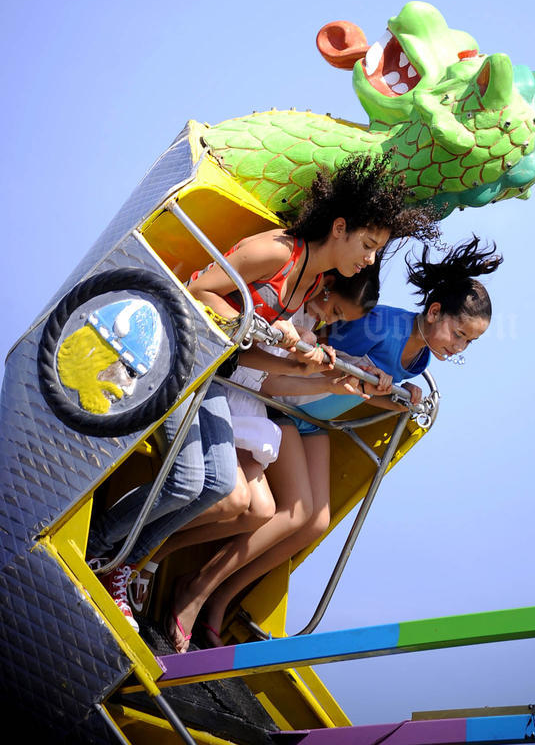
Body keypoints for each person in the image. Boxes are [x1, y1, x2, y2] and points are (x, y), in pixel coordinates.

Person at [88, 152, 438, 634]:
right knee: (194, 483)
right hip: (178, 362)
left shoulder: (312, 283)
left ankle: (122, 562)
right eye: (369, 244)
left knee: (213, 486)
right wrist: (264, 326)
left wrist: (313, 367)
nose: (371, 259)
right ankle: (101, 552)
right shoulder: (278, 252)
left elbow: (258, 366)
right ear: (339, 227)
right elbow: (197, 291)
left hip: (216, 376)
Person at [168, 235, 502, 650]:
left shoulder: (422, 358)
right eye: (459, 334)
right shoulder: (383, 326)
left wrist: (400, 399)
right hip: (287, 404)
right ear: (434, 312)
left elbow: (363, 387)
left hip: (315, 421)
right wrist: (359, 374)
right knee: (295, 514)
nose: (459, 346)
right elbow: (322, 353)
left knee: (317, 521)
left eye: (469, 342)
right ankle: (196, 589)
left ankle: (220, 599)